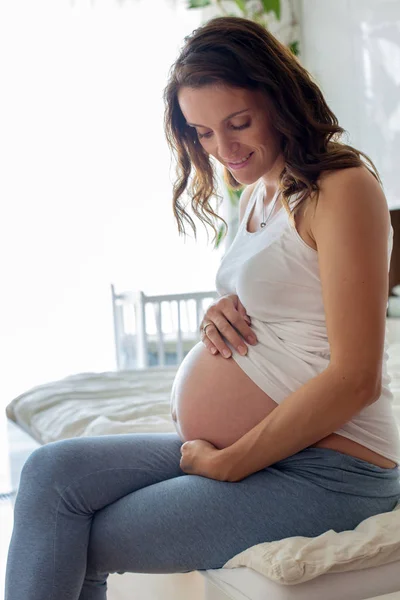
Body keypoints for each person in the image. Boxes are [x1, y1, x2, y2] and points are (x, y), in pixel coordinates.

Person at [5, 15, 400, 600]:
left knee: (76, 530)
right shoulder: (263, 189)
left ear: (280, 98)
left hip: (332, 469)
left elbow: (355, 378)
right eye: (204, 132)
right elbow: (290, 300)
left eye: (238, 123)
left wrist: (234, 461)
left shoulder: (342, 188)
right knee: (49, 474)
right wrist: (218, 313)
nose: (224, 149)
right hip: (268, 447)